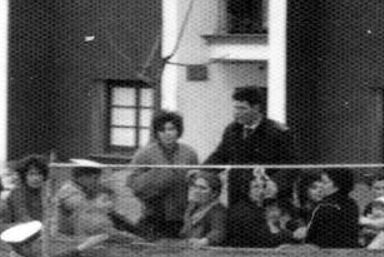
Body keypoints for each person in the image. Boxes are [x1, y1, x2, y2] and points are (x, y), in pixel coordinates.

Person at [205, 85, 296, 204]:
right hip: (238, 196)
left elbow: (292, 164)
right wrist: (202, 171)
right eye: (235, 108)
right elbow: (220, 155)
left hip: (268, 197)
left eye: (242, 108)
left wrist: (276, 183)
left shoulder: (277, 132)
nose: (236, 113)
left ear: (256, 108)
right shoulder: (232, 130)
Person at [127, 110, 200, 239]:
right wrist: (157, 176)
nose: (167, 133)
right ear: (156, 132)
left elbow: (196, 182)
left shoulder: (189, 153)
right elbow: (132, 183)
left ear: (179, 130)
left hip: (181, 214)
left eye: (171, 129)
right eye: (162, 130)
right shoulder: (144, 154)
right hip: (153, 213)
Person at [294, 167, 362, 249]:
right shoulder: (352, 204)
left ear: (337, 185)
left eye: (324, 183)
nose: (321, 187)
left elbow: (308, 235)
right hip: (351, 252)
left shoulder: (323, 206)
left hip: (323, 254)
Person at [225, 171, 280, 248]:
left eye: (263, 186)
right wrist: (290, 235)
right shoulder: (243, 212)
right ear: (246, 189)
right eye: (256, 187)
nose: (261, 191)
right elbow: (267, 240)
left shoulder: (256, 207)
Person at [180, 171, 228, 246]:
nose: (196, 191)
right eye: (195, 186)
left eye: (202, 188)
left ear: (214, 193)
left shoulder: (217, 210)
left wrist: (203, 241)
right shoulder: (192, 206)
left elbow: (218, 232)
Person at [4, 155, 48, 225]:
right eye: (31, 174)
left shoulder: (46, 192)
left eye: (39, 174)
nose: (36, 178)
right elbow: (22, 216)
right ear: (24, 176)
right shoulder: (17, 193)